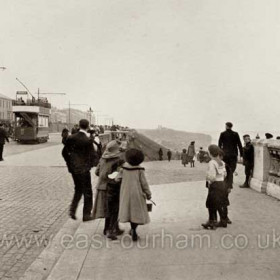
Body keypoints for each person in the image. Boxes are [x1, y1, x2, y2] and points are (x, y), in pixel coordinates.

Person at [62, 119, 96, 222]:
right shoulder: (88, 140)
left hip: (74, 170)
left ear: (79, 126)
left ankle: (72, 210)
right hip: (84, 170)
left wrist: (70, 164)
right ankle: (86, 215)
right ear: (88, 127)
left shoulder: (70, 138)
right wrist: (89, 165)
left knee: (78, 189)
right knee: (88, 191)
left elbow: (64, 153)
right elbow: (93, 155)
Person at [92, 140, 124, 240]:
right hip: (112, 187)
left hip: (101, 187)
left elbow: (97, 172)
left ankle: (107, 228)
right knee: (114, 208)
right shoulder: (117, 160)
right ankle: (112, 230)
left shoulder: (102, 158)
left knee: (107, 209)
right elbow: (119, 175)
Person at [117, 148, 152, 241]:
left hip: (125, 193)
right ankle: (133, 229)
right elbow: (144, 184)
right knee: (136, 213)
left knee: (128, 212)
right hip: (137, 194)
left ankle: (132, 230)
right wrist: (148, 194)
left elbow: (117, 179)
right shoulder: (140, 170)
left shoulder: (123, 169)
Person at [218, 122, 243, 224]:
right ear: (231, 127)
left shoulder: (223, 134)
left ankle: (226, 183)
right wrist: (241, 154)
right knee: (230, 172)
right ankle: (229, 184)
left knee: (224, 171)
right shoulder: (235, 134)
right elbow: (239, 144)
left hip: (225, 155)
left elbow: (220, 145)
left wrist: (220, 154)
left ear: (226, 126)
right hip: (233, 156)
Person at [202, 145, 228, 230]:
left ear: (210, 153)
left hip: (215, 185)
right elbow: (225, 174)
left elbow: (212, 177)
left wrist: (208, 178)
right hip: (222, 184)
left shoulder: (212, 163)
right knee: (220, 203)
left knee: (211, 203)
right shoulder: (222, 162)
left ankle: (212, 222)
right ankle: (223, 221)